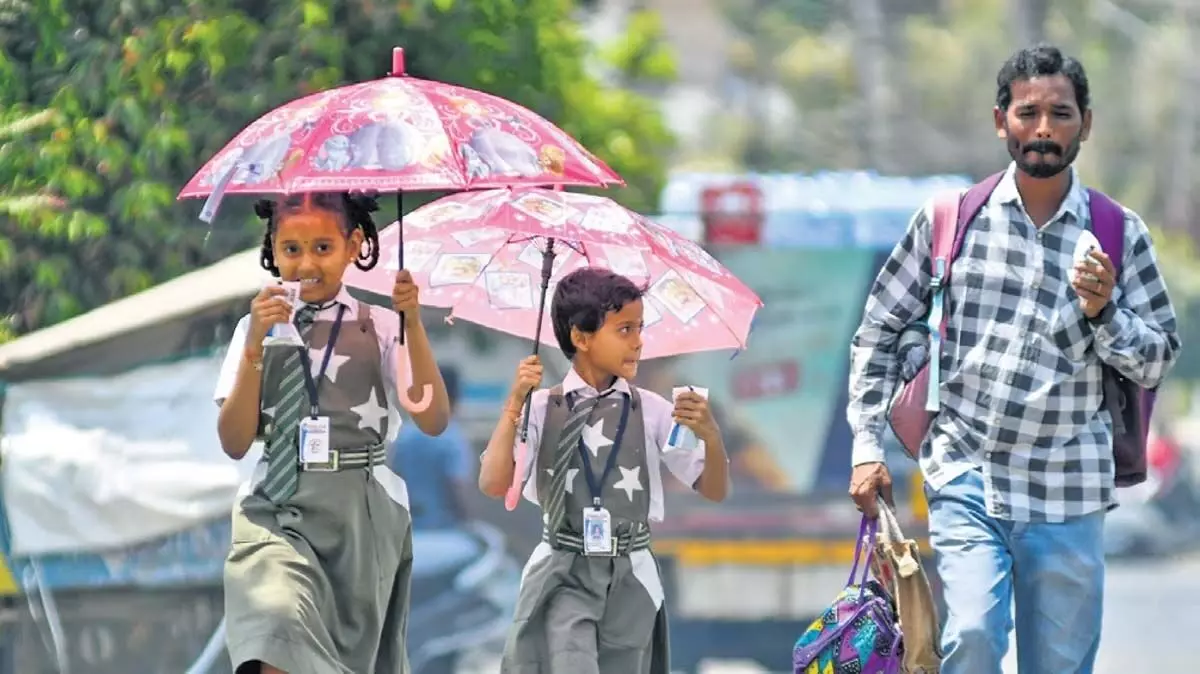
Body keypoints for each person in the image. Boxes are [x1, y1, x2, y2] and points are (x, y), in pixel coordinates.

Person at [846, 44, 1180, 674]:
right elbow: (878, 334)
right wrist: (866, 445)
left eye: (1061, 112)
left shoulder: (1118, 233)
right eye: (1029, 112)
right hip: (966, 473)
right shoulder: (949, 221)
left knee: (1059, 665)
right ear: (1001, 121)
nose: (1045, 128)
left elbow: (1158, 357)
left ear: (1086, 123)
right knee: (970, 637)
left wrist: (1105, 312)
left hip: (1070, 487)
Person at [213, 192, 451, 674]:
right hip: (276, 506)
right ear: (273, 249)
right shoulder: (253, 328)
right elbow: (235, 441)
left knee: (341, 660)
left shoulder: (380, 324)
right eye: (291, 249)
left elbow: (432, 417)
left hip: (358, 515)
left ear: (353, 245)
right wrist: (257, 343)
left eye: (323, 248)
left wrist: (413, 324)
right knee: (273, 628)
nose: (305, 264)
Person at [477, 267, 731, 674]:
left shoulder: (651, 410)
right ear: (581, 337)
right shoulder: (542, 407)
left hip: (632, 573)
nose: (639, 341)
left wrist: (711, 437)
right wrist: (514, 402)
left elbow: (714, 489)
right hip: (565, 570)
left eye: (640, 328)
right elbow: (492, 483)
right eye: (625, 329)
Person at [389, 363, 474, 530]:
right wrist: (469, 522)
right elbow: (457, 487)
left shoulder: (404, 436)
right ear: (455, 397)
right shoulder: (452, 439)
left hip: (407, 530)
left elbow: (393, 478)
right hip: (444, 532)